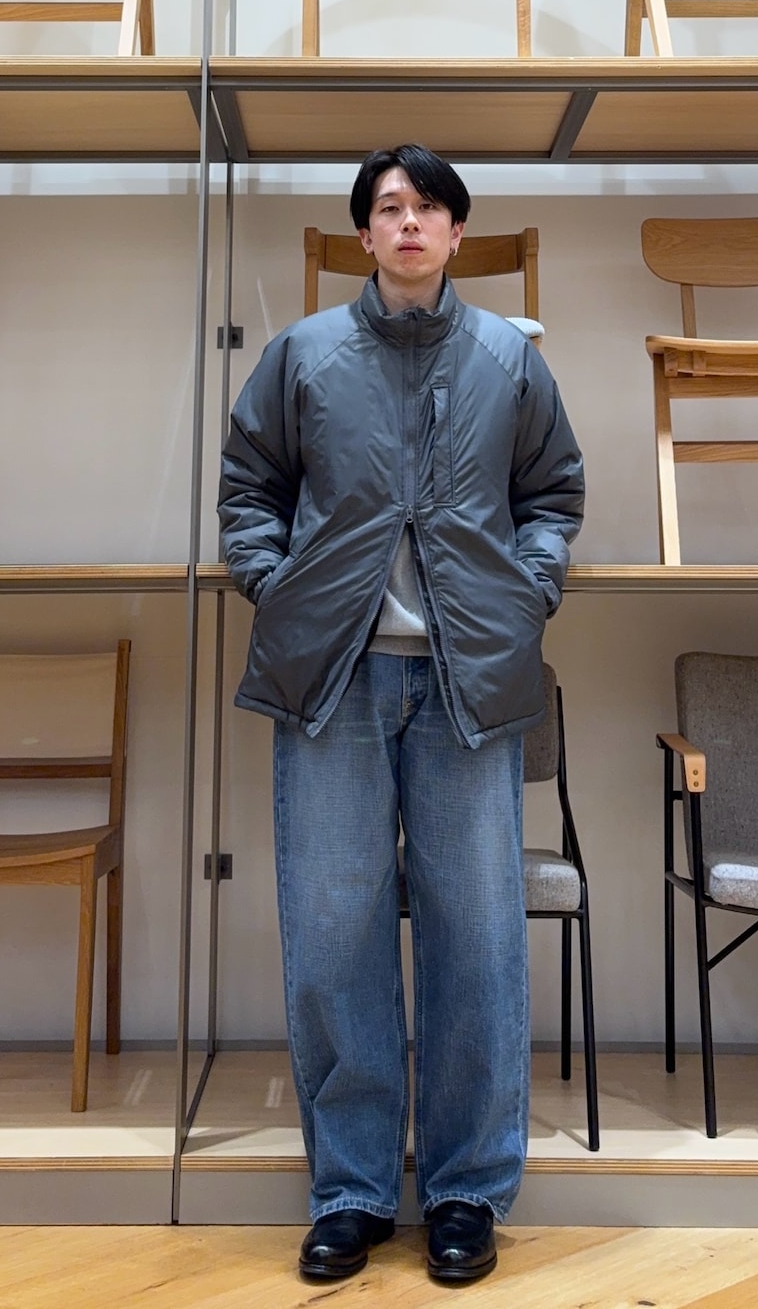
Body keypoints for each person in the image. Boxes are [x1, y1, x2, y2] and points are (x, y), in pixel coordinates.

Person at [218, 143, 584, 1284]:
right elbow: (249, 486)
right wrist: (270, 579)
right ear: (364, 235)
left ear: (456, 232)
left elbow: (553, 491)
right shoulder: (303, 354)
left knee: (477, 940)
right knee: (335, 938)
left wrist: (529, 589)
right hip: (332, 679)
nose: (409, 222)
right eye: (389, 207)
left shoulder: (508, 358)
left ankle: (467, 1189)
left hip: (467, 685)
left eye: (428, 206)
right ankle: (353, 1190)